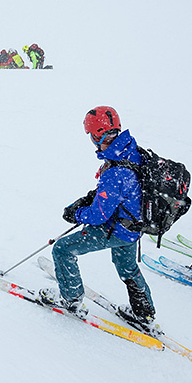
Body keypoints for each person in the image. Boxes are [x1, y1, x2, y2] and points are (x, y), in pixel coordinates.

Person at [40, 106, 156, 328]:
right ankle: (145, 313)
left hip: (116, 229)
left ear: (95, 136)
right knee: (127, 267)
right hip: (133, 227)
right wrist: (92, 197)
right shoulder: (131, 151)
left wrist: (76, 213)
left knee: (62, 250)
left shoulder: (115, 171)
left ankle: (70, 300)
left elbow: (98, 216)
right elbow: (125, 190)